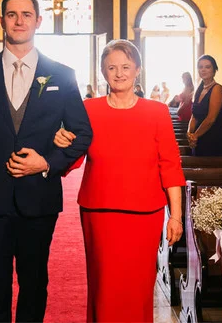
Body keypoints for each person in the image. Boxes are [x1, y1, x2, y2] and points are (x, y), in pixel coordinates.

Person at [0, 0, 93, 323]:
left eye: (26, 14)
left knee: (34, 283)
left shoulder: (62, 74)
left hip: (38, 198)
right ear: (2, 21)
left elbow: (82, 133)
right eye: (12, 14)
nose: (19, 21)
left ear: (38, 21)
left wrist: (47, 162)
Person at [53, 40, 185, 322]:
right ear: (103, 72)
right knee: (103, 286)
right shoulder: (87, 109)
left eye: (126, 66)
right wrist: (61, 141)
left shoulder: (157, 112)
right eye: (112, 67)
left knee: (138, 287)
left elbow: (170, 166)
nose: (119, 73)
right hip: (99, 212)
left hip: (145, 215)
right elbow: (73, 159)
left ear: (137, 69)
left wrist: (176, 215)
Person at [188, 55, 222, 156]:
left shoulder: (217, 89)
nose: (203, 70)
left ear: (214, 70)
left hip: (212, 139)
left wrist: (195, 136)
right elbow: (194, 116)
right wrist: (189, 133)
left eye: (207, 67)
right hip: (197, 139)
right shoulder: (199, 89)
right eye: (200, 67)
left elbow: (211, 119)